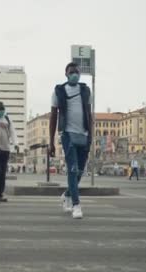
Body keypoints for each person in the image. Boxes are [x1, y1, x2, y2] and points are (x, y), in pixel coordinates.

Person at [49, 62, 93, 219]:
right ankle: (76, 205)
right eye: (72, 72)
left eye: (77, 72)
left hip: (84, 135)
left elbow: (89, 114)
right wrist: (51, 142)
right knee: (73, 169)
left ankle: (67, 194)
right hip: (67, 135)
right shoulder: (59, 91)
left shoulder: (86, 90)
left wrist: (91, 136)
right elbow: (53, 117)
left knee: (80, 172)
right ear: (66, 74)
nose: (75, 74)